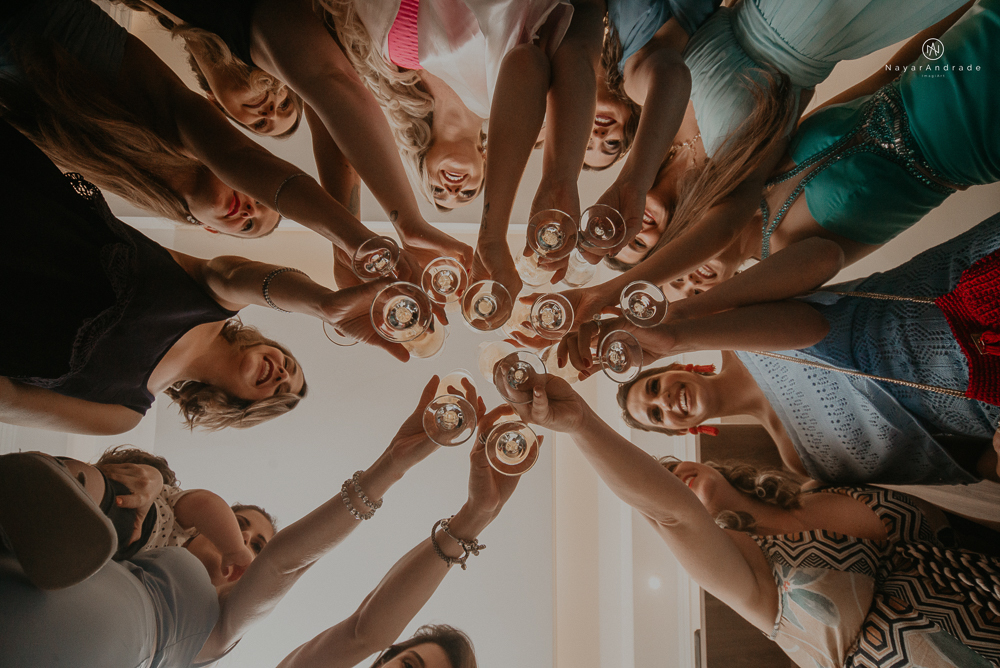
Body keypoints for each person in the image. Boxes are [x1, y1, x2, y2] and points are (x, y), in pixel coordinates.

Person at [0, 377, 519, 668]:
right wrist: (396, 464)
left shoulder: (212, 629)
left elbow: (362, 632)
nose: (245, 550)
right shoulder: (194, 589)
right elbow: (294, 572)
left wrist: (470, 521)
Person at [512, 374, 1000, 667]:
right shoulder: (757, 583)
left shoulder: (816, 482)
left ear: (709, 462)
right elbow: (672, 512)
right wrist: (579, 423)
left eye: (672, 464)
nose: (671, 475)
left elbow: (941, 487)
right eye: (658, 479)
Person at [561, 0, 987, 321]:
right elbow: (727, 230)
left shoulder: (643, 96)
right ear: (671, 249)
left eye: (614, 236)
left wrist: (629, 183)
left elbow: (677, 47)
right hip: (844, 25)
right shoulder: (732, 184)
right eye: (641, 248)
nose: (634, 230)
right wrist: (615, 293)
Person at [0, 120, 412, 436]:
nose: (282, 374)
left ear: (246, 407)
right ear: (268, 343)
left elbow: (13, 399)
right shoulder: (216, 296)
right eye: (289, 364)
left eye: (280, 391)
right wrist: (325, 305)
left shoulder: (122, 414)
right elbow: (255, 279)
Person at [560, 211, 1000, 483]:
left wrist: (676, 328)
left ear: (676, 368)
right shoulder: (800, 460)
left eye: (653, 390)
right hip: (987, 401)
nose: (666, 403)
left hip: (958, 289)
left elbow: (823, 264)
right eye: (656, 416)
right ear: (682, 431)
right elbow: (957, 463)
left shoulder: (722, 320)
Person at [0, 0, 400, 267]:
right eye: (263, 197)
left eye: (247, 225)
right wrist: (356, 241)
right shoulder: (182, 121)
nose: (251, 207)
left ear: (209, 227)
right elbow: (312, 105)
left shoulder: (102, 174)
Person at [117, 0, 472, 268]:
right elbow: (329, 91)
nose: (271, 108)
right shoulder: (257, 27)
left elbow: (324, 102)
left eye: (262, 123)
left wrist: (347, 245)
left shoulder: (197, 25)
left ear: (217, 110)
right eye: (287, 103)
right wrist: (404, 221)